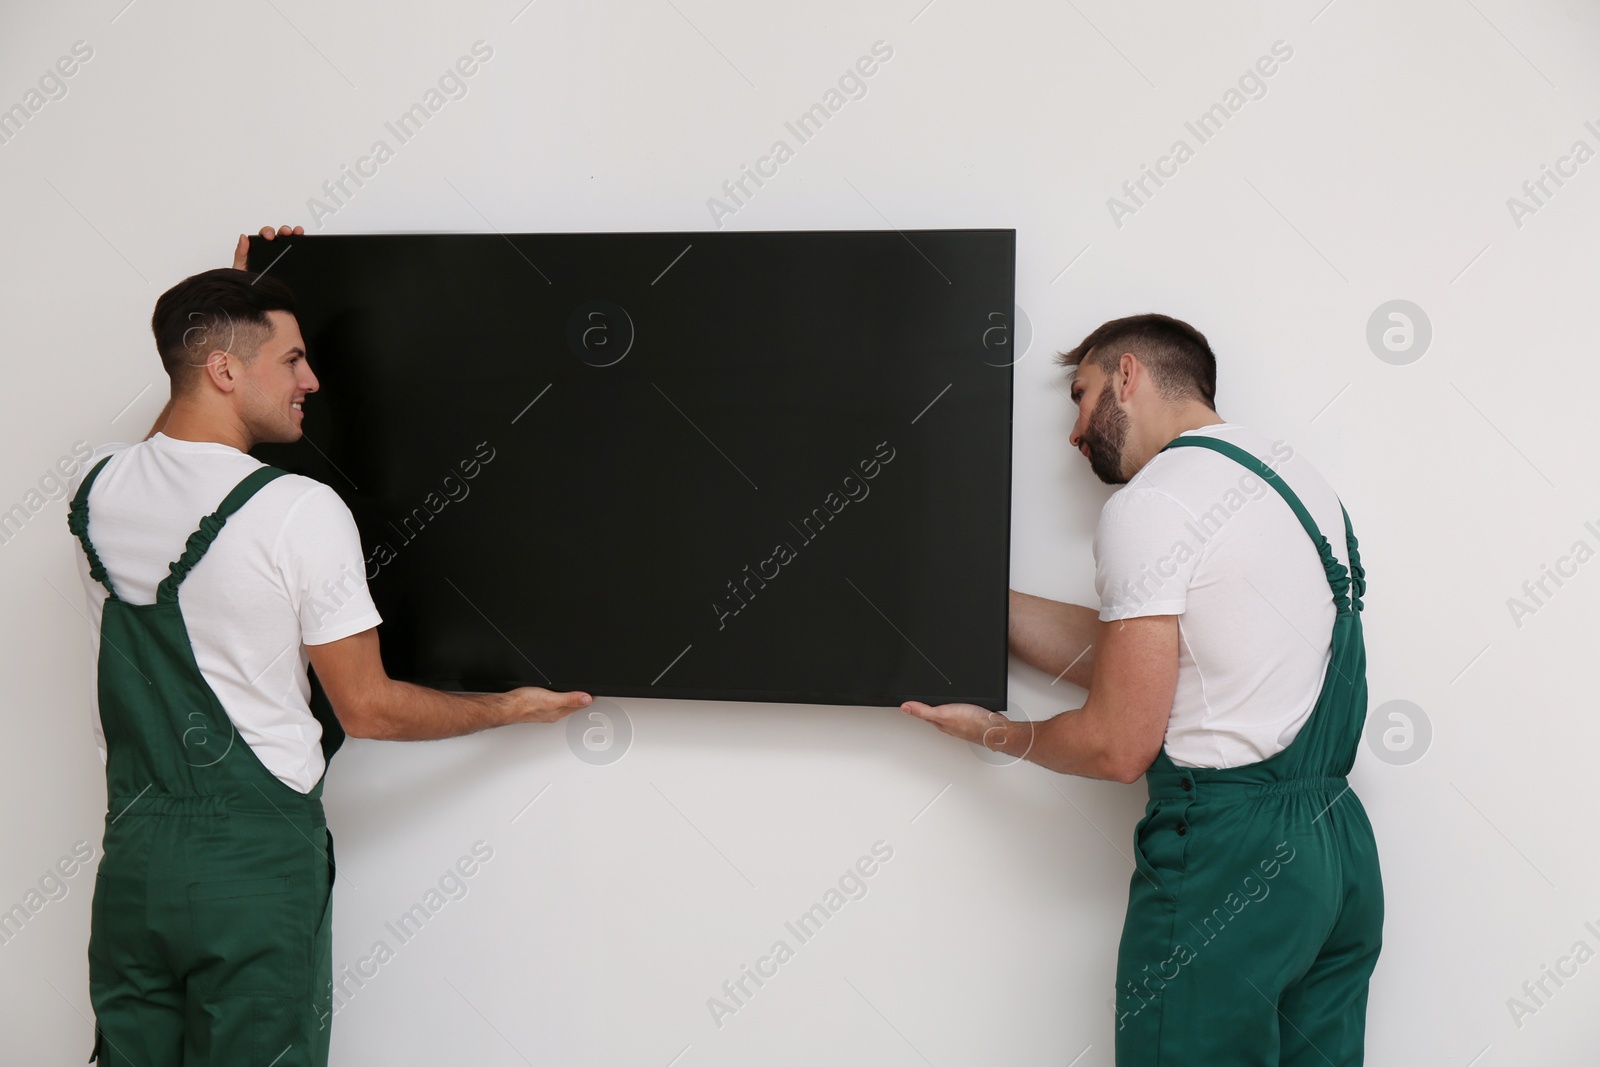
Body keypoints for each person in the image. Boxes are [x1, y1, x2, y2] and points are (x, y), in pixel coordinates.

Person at [67, 226, 592, 1067]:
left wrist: (247, 294)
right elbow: (370, 707)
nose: (312, 380)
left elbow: (193, 416)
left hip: (134, 862)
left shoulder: (93, 489)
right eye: (293, 360)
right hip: (253, 860)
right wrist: (509, 706)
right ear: (226, 370)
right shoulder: (298, 512)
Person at [901, 313, 1382, 1065]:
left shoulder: (1154, 504)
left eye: (1081, 395)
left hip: (1227, 859)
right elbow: (1171, 657)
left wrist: (994, 732)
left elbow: (1118, 744)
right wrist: (969, 600)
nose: (1074, 432)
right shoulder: (1298, 484)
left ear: (1129, 374)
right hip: (1335, 860)